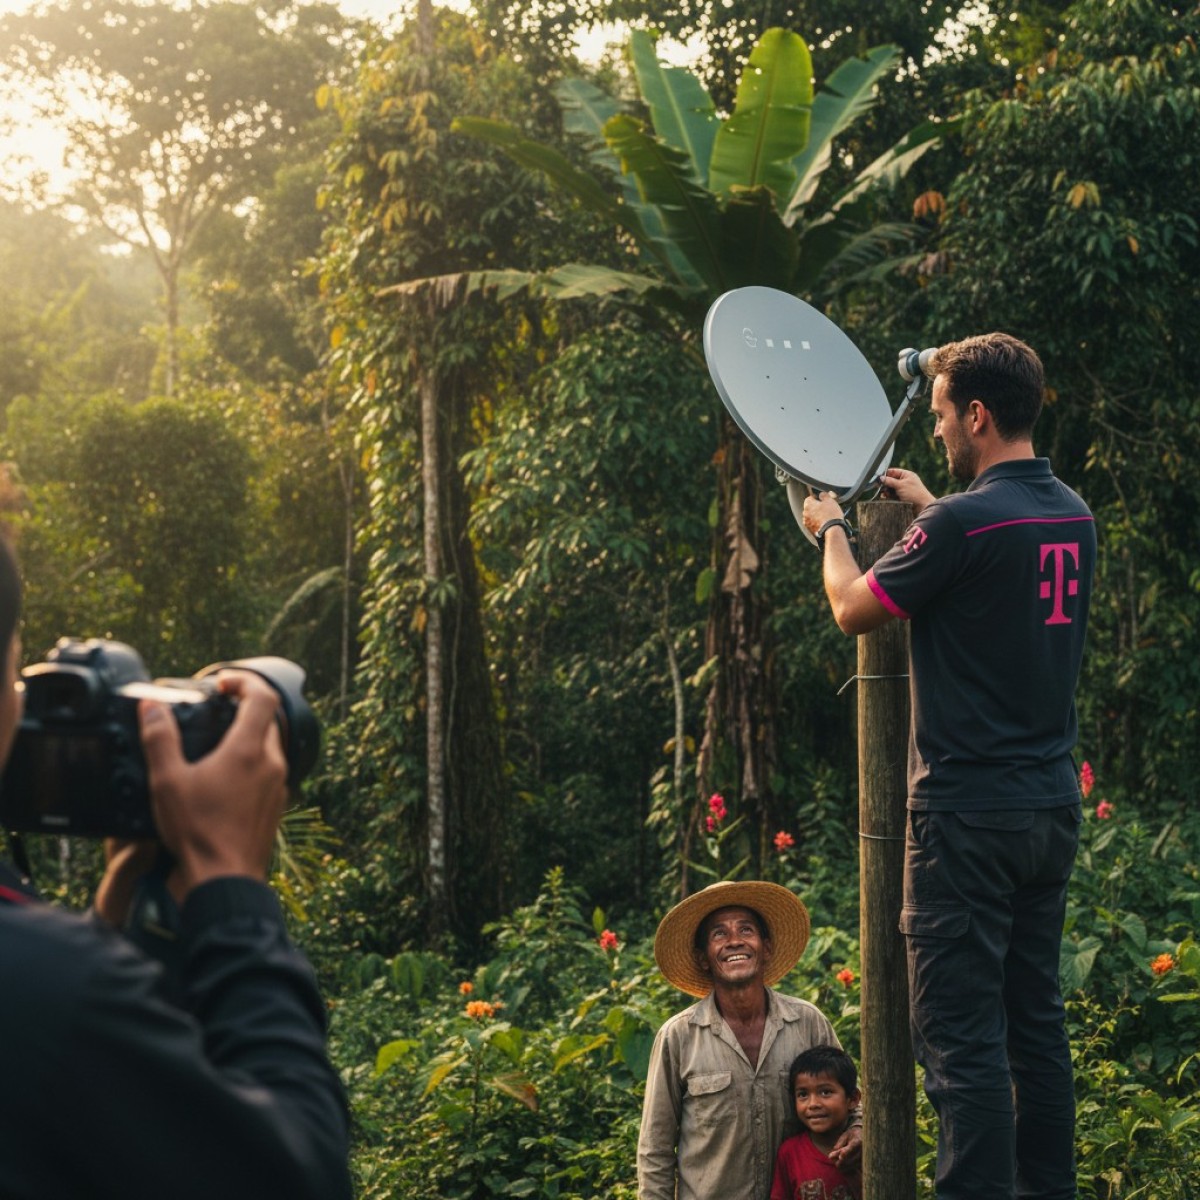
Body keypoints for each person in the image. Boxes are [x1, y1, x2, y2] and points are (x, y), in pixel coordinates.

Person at [802, 332, 1095, 1200]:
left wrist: (832, 530)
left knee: (962, 1048)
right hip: (1047, 810)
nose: (934, 430)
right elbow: (987, 562)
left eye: (938, 415)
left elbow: (853, 608)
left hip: (966, 820)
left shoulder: (961, 524)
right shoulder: (1068, 512)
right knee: (1034, 1031)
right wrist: (933, 509)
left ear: (976, 414)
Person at [0, 535, 353, 1199]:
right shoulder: (53, 993)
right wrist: (229, 885)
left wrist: (107, 923)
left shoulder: (48, 982)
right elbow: (301, 1175)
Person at [637, 879, 861, 1200]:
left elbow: (852, 1100)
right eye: (719, 934)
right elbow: (655, 1148)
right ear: (703, 958)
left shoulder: (807, 1022)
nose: (734, 942)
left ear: (765, 948)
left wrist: (857, 1129)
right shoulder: (679, 1036)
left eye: (745, 930)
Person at [770, 1044, 863, 1200]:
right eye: (803, 1094)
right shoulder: (790, 1154)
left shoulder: (863, 1149)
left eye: (825, 1092)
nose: (813, 1104)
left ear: (853, 1099)